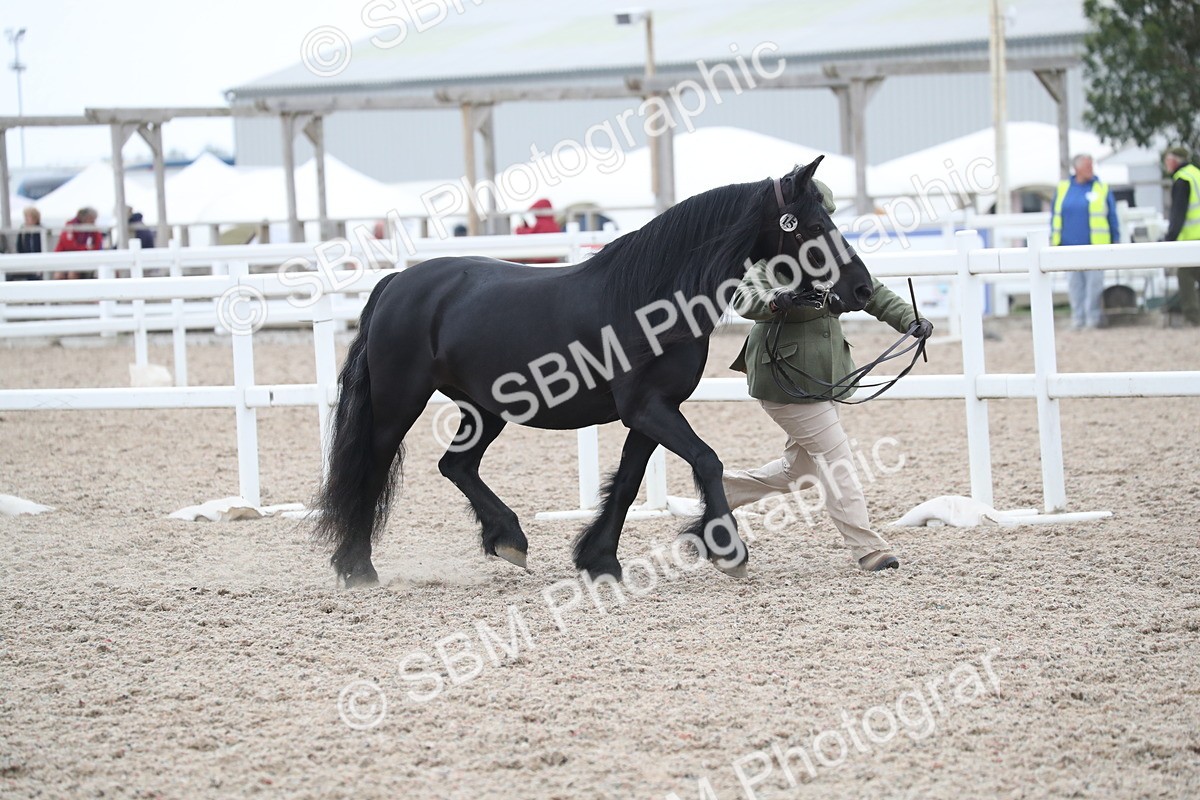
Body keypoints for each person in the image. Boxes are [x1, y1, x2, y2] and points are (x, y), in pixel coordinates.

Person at [722, 179, 933, 573]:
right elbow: (745, 296)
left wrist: (912, 320)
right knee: (838, 460)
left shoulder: (830, 256)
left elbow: (872, 292)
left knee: (799, 470)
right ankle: (867, 548)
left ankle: (724, 491)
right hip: (784, 377)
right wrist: (778, 299)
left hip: (824, 375)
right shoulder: (772, 258)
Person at [1050, 154, 1119, 330]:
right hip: (1068, 246)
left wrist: (1115, 239)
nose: (1091, 170)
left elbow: (1112, 215)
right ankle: (1078, 318)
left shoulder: (1101, 187)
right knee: (1075, 285)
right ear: (1077, 168)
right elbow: (1055, 216)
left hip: (1095, 245)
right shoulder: (1064, 188)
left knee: (1094, 285)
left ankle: (1092, 318)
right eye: (1088, 166)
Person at [1162, 146, 1200, 326]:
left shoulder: (1182, 180)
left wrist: (1168, 240)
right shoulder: (1196, 174)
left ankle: (1193, 318)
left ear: (1174, 160)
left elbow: (1178, 214)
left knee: (1185, 279)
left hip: (1192, 239)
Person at [53, 206, 104, 279]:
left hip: (84, 259)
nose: (93, 222)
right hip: (66, 257)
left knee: (73, 273)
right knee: (59, 275)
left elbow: (97, 244)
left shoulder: (93, 229)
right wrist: (85, 248)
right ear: (85, 217)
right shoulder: (70, 225)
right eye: (92, 219)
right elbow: (69, 245)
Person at [12, 206, 46, 281]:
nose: (26, 219)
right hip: (26, 259)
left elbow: (43, 246)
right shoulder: (23, 230)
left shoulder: (41, 230)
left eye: (28, 217)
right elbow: (19, 245)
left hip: (39, 260)